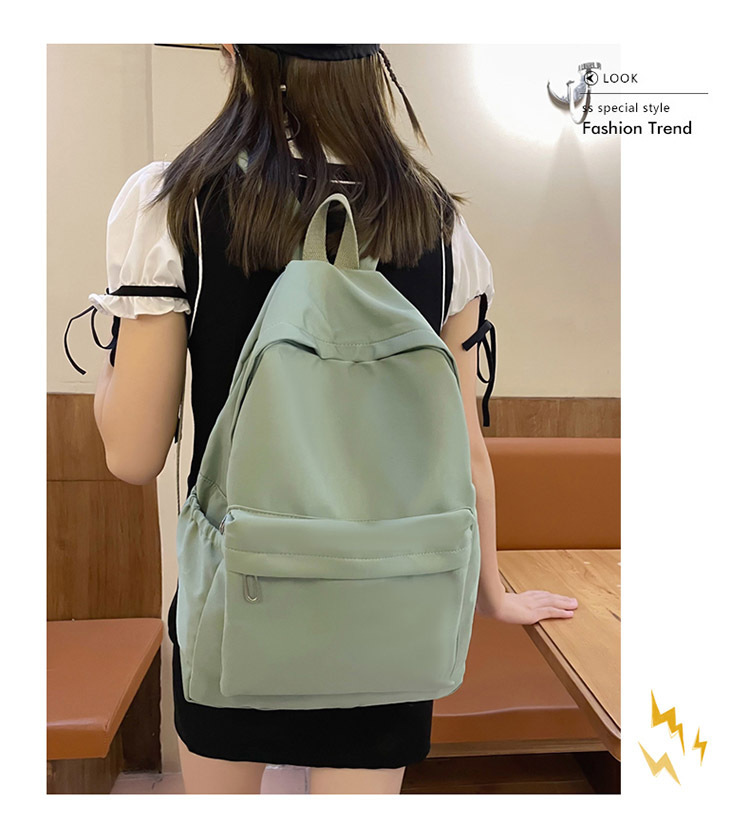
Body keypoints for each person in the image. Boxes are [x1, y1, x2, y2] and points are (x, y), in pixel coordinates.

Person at [65, 43, 578, 795]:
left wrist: (109, 364)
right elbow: (466, 446)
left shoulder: (177, 203)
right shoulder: (438, 224)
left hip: (241, 592)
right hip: (390, 601)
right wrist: (492, 590)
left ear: (237, 48)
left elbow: (133, 455)